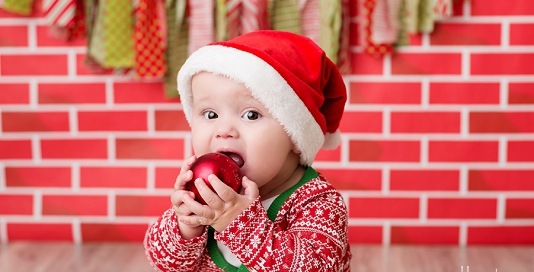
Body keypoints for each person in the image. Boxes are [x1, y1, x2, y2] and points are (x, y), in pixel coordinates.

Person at [144, 30, 351, 271]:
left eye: (251, 115)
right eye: (210, 114)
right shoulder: (207, 195)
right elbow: (166, 262)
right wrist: (185, 226)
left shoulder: (318, 202)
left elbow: (316, 267)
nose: (224, 130)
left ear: (295, 135)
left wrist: (240, 224)